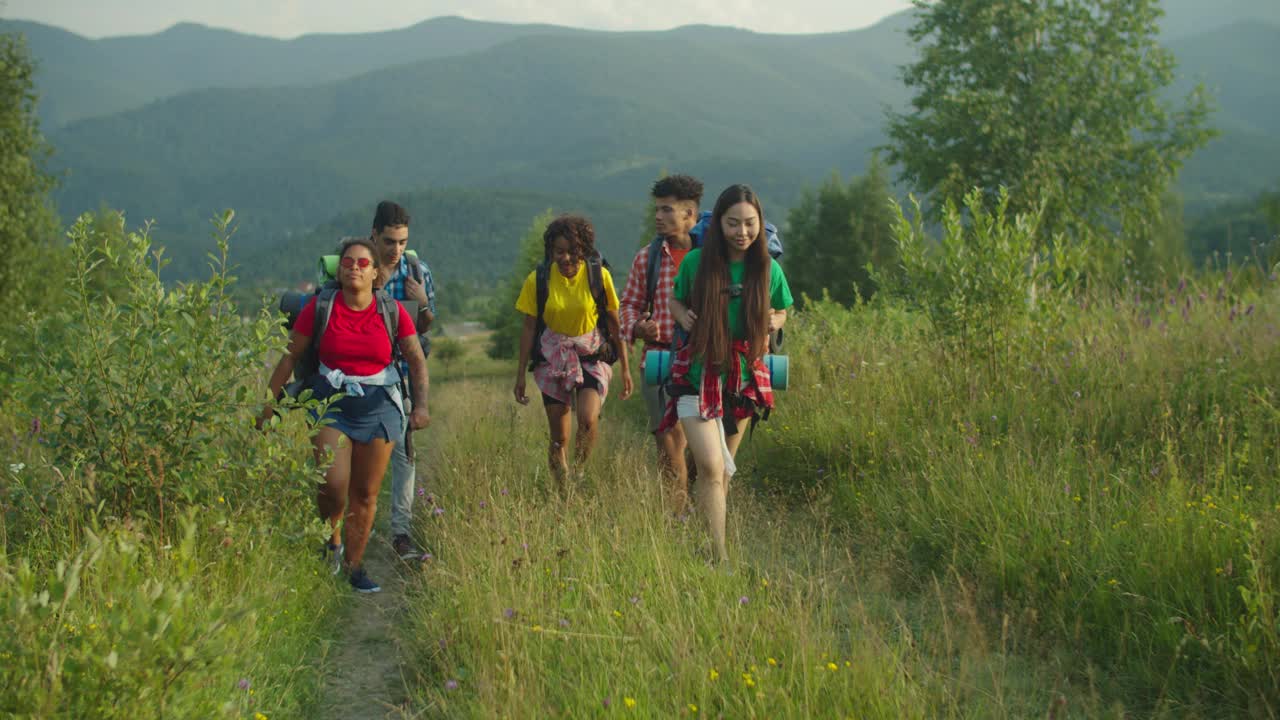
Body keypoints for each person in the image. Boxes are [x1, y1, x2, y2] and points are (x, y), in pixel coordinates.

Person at [263, 238, 431, 592]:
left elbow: (416, 360)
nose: (355, 267)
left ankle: (354, 567)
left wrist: (421, 406)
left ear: (375, 273)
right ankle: (333, 541)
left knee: (366, 494)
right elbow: (289, 357)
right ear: (339, 270)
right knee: (332, 485)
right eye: (349, 262)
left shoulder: (393, 311)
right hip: (330, 403)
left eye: (363, 263)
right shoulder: (320, 308)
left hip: (380, 405)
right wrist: (269, 404)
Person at [664, 184, 793, 563]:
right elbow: (675, 298)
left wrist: (775, 319)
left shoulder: (769, 269)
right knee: (711, 466)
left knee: (722, 475)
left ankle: (704, 533)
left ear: (760, 224)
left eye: (750, 224)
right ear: (718, 224)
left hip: (741, 382)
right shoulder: (696, 263)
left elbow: (784, 309)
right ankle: (719, 557)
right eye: (733, 223)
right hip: (696, 376)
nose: (742, 232)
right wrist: (680, 314)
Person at [513, 214, 633, 487]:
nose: (566, 259)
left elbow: (615, 323)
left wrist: (625, 367)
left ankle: (578, 473)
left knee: (588, 421)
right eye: (559, 252)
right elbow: (529, 328)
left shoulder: (598, 276)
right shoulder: (538, 279)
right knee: (559, 438)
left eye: (573, 252)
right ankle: (562, 487)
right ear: (551, 252)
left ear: (584, 251)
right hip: (553, 357)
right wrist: (520, 374)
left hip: (591, 354)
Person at [617, 174, 703, 511]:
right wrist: (639, 326)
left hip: (703, 362)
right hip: (658, 359)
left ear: (690, 215)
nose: (658, 217)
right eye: (656, 210)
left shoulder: (711, 259)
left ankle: (698, 501)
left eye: (667, 210)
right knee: (667, 443)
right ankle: (678, 516)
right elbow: (627, 306)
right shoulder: (646, 258)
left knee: (700, 449)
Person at [368, 201, 437, 561]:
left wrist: (422, 303)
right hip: (361, 378)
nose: (395, 250)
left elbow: (425, 326)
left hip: (403, 376)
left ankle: (401, 532)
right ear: (374, 237)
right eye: (389, 241)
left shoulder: (417, 271)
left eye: (402, 242)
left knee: (404, 455)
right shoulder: (357, 270)